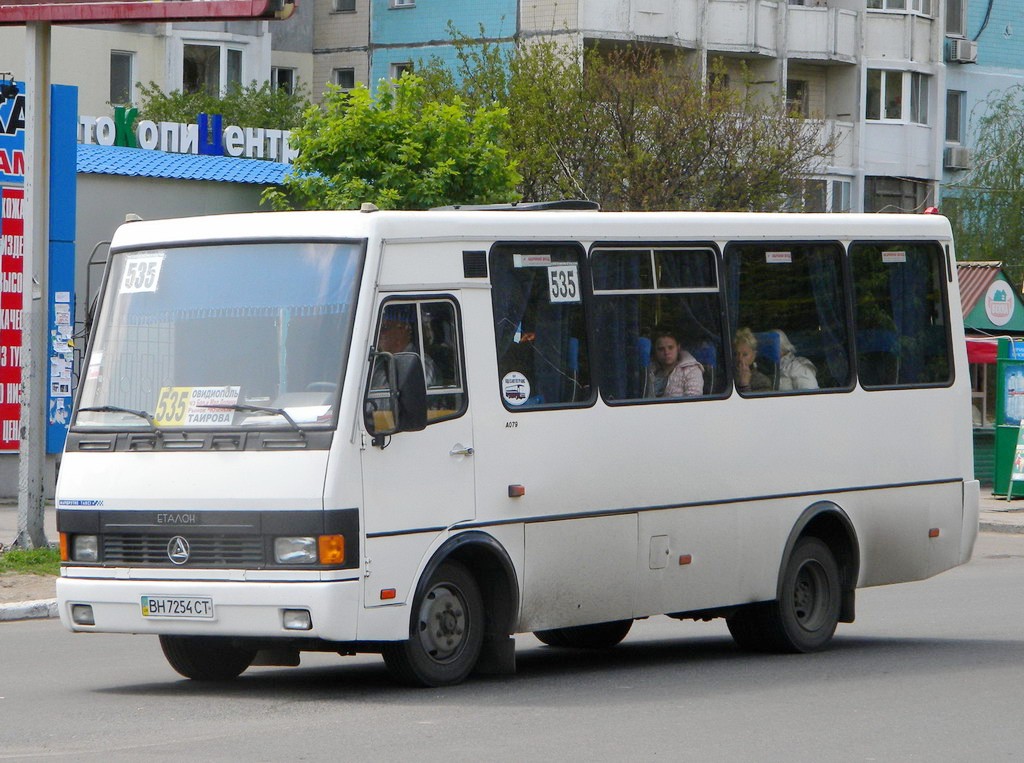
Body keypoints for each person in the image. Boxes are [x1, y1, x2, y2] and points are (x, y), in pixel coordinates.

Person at [372, 307, 437, 387]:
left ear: (402, 330)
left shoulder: (421, 364)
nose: (379, 333)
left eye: (385, 328)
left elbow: (410, 396)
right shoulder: (379, 361)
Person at [644, 329, 704, 398]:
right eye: (661, 349)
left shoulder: (691, 370)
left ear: (678, 348)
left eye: (670, 348)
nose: (666, 352)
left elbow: (693, 402)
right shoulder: (649, 371)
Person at [733, 327, 772, 393]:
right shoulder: (725, 377)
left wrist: (744, 385)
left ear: (754, 355)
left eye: (745, 355)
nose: (740, 358)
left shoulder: (762, 382)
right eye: (736, 354)